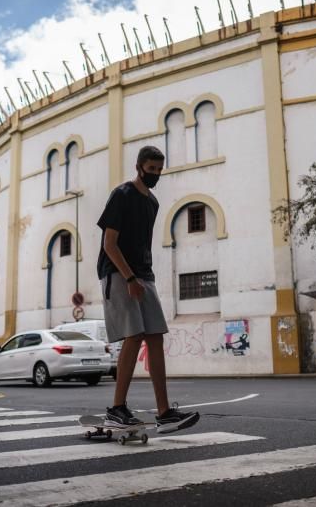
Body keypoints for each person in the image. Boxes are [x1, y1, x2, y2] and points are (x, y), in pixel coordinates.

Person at [96, 145, 200, 433]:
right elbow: (109, 244)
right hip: (118, 272)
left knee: (155, 336)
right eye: (150, 169)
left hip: (144, 274)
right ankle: (117, 409)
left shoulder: (152, 202)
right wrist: (130, 279)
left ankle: (165, 413)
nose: (155, 174)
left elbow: (143, 243)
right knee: (135, 334)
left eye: (159, 170)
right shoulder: (122, 194)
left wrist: (143, 277)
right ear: (139, 167)